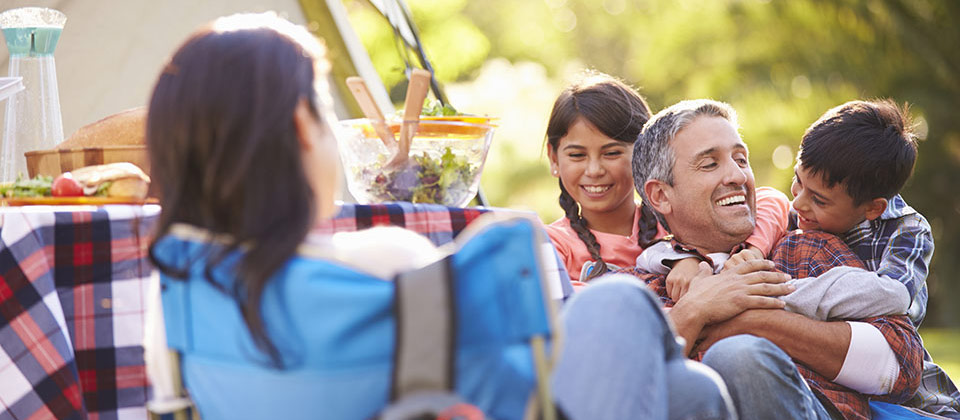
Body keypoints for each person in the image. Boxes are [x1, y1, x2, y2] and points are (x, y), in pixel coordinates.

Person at [142, 13, 736, 420]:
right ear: (303, 129)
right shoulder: (388, 267)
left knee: (690, 390)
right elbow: (518, 393)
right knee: (617, 306)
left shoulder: (175, 296)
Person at [624, 99, 924, 420]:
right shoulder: (639, 289)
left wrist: (754, 323)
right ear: (660, 195)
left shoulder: (805, 248)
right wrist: (696, 309)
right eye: (710, 164)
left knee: (737, 356)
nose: (737, 175)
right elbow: (620, 396)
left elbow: (902, 366)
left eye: (741, 159)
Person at [790, 100, 959, 417]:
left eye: (819, 199)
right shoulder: (798, 218)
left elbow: (890, 299)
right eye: (798, 180)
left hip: (893, 389)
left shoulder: (907, 231)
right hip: (820, 373)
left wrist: (785, 296)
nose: (798, 202)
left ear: (872, 208)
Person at [543, 72, 789, 287]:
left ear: (644, 158)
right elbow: (570, 311)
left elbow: (772, 200)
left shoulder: (675, 214)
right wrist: (677, 262)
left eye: (612, 153)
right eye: (577, 155)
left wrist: (754, 249)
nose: (594, 170)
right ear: (554, 159)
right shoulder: (550, 245)